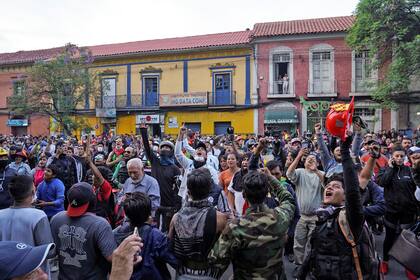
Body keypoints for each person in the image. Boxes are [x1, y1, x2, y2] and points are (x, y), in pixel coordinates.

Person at [208, 139, 295, 279]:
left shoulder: (235, 227)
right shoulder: (280, 217)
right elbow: (288, 199)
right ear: (267, 191)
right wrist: (271, 178)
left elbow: (216, 262)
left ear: (244, 195)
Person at [297, 133, 380, 279]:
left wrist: (345, 151)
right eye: (328, 186)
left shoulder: (351, 217)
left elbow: (358, 185)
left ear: (345, 195)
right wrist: (301, 275)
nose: (328, 188)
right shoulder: (323, 215)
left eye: (335, 187)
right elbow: (313, 252)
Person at [169, 168, 227, 280]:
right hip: (210, 273)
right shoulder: (220, 218)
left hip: (183, 273)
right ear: (209, 190)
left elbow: (169, 248)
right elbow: (226, 252)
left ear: (188, 192)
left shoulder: (176, 218)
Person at [50, 182, 117, 279]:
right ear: (92, 201)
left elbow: (52, 252)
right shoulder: (100, 224)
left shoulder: (56, 218)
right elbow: (112, 258)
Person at [113, 192, 177, 280]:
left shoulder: (116, 233)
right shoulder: (155, 235)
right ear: (149, 213)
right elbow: (173, 260)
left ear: (127, 214)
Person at [377, 144, 417, 276]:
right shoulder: (385, 169)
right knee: (389, 237)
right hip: (391, 211)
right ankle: (385, 261)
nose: (399, 158)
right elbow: (382, 182)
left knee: (407, 239)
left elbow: (416, 189)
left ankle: (408, 266)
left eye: (401, 156)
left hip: (408, 211)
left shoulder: (409, 170)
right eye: (397, 156)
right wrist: (390, 168)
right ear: (392, 157)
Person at [286, 146, 324, 271]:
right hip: (301, 216)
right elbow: (289, 173)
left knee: (312, 243)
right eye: (308, 159)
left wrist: (316, 170)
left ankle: (309, 266)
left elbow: (327, 183)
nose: (311, 161)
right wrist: (298, 156)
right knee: (298, 243)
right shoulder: (300, 172)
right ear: (304, 161)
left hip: (316, 216)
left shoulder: (321, 174)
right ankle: (299, 266)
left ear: (318, 163)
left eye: (314, 159)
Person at [140, 124, 181, 232]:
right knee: (153, 229)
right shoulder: (155, 162)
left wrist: (177, 205)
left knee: (166, 230)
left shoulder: (175, 168)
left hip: (169, 205)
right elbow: (147, 148)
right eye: (162, 147)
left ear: (171, 151)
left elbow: (178, 188)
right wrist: (144, 131)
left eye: (167, 147)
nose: (164, 149)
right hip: (154, 203)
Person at [0, 175, 54, 247]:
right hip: (30, 258)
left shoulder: (1, 214)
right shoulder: (38, 216)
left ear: (10, 193)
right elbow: (47, 249)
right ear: (33, 191)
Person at [266, 159, 300, 263]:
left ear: (282, 173)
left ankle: (289, 252)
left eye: (277, 174)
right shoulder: (261, 189)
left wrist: (290, 233)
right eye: (271, 174)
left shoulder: (287, 188)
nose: (274, 177)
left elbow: (296, 214)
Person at [175, 126, 219, 202]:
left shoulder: (211, 171)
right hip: (186, 201)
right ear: (194, 154)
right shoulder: (189, 164)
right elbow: (178, 153)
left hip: (203, 203)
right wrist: (180, 135)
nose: (200, 149)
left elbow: (216, 187)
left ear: (206, 156)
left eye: (202, 149)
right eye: (198, 149)